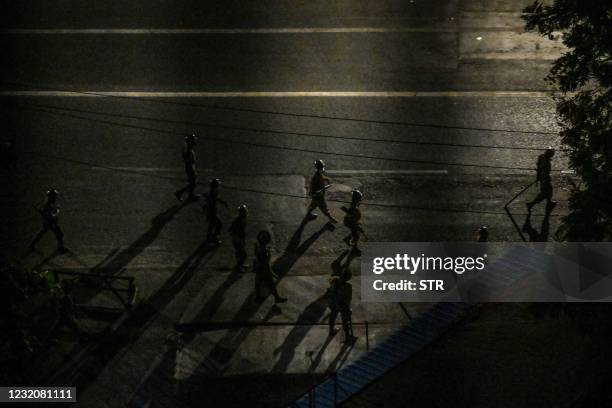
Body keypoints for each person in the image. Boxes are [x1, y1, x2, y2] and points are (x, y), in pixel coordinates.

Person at [254, 230, 287, 303]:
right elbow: (265, 261)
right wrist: (268, 254)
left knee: (258, 283)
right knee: (270, 284)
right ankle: (276, 298)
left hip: (259, 268)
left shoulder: (257, 245)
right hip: (264, 269)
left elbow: (256, 256)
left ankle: (258, 297)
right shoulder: (263, 250)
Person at [327, 275, 356, 343]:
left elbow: (331, 296)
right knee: (345, 321)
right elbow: (348, 298)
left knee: (333, 317)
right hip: (342, 305)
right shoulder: (348, 286)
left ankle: (331, 331)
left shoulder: (334, 285)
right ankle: (347, 337)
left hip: (335, 305)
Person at [527, 148, 557, 213]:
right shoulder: (545, 160)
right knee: (544, 194)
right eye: (552, 154)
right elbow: (542, 171)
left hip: (543, 178)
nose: (552, 155)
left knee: (549, 191)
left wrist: (538, 178)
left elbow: (538, 169)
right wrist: (541, 179)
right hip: (545, 179)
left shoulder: (542, 157)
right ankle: (531, 204)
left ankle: (549, 203)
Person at [174, 134, 199, 202]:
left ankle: (190, 195)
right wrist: (192, 168)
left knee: (193, 183)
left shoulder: (188, 148)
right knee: (193, 183)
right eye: (193, 140)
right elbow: (188, 160)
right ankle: (180, 193)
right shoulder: (188, 149)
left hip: (190, 167)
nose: (195, 142)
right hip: (190, 167)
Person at [202, 178, 227, 244]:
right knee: (219, 224)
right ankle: (213, 237)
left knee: (211, 224)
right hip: (212, 211)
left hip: (210, 211)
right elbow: (212, 199)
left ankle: (209, 237)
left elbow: (210, 198)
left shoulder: (212, 191)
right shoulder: (213, 192)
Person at [341, 189, 364, 255]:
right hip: (350, 222)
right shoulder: (354, 207)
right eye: (360, 198)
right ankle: (354, 249)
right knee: (356, 235)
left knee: (356, 232)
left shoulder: (354, 205)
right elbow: (352, 218)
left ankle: (347, 239)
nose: (360, 199)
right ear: (357, 199)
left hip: (351, 221)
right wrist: (357, 225)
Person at [228, 205, 248, 272]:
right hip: (238, 239)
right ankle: (239, 266)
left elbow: (230, 229)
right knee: (243, 254)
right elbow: (232, 229)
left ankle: (239, 265)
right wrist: (237, 238)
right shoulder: (239, 220)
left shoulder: (239, 219)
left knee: (239, 253)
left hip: (238, 238)